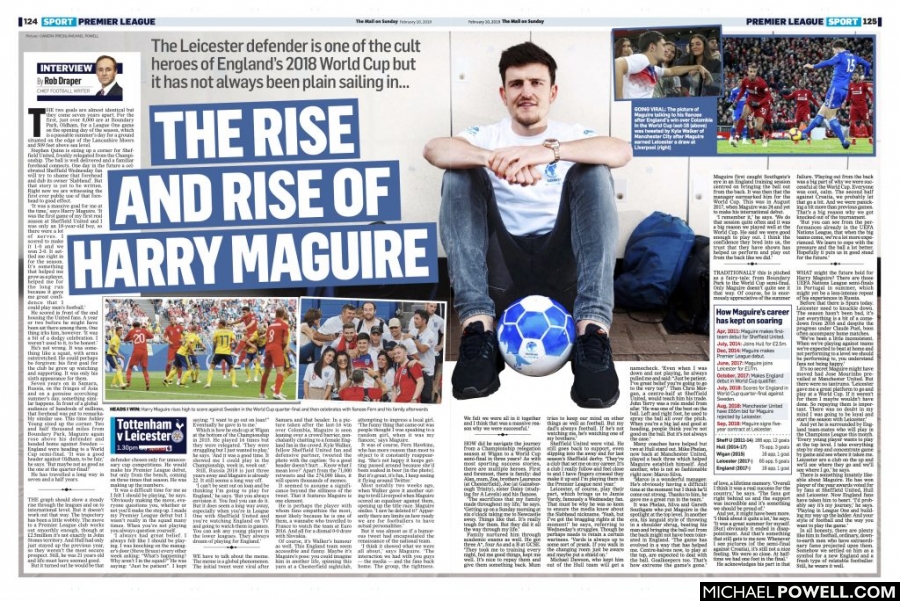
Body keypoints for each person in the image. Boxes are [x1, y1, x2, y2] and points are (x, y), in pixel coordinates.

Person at [424, 41, 631, 407]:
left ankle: (593, 335)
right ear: (504, 93)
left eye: (536, 82)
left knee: (595, 170)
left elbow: (622, 151)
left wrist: (548, 152)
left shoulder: (574, 134)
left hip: (565, 270)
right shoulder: (486, 136)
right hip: (501, 272)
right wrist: (492, 159)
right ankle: (477, 330)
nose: (527, 92)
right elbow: (434, 149)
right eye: (517, 84)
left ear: (552, 91)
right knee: (457, 173)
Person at [801, 39, 872, 150]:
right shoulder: (854, 57)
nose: (834, 52)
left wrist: (813, 66)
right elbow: (867, 64)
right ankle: (804, 133)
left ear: (837, 48)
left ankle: (843, 141)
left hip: (836, 88)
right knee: (823, 111)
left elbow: (828, 62)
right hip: (844, 89)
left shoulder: (840, 56)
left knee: (830, 115)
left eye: (834, 50)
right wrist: (864, 76)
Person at [615, 31, 711, 99]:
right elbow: (618, 64)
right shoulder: (642, 59)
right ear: (652, 47)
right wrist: (620, 102)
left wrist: (697, 67)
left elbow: (672, 71)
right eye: (663, 45)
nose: (666, 50)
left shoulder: (652, 69)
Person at [731, 64, 774, 147]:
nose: (752, 73)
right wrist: (736, 101)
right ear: (748, 72)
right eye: (750, 71)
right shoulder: (745, 81)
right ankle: (736, 139)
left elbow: (768, 96)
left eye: (754, 72)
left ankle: (764, 136)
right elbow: (742, 91)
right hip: (750, 101)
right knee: (743, 115)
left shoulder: (762, 83)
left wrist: (759, 103)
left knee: (757, 127)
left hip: (761, 104)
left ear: (756, 72)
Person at [403, 309, 438, 403]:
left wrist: (413, 338)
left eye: (417, 319)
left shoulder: (430, 334)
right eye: (414, 318)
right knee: (414, 397)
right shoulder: (414, 331)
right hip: (414, 369)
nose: (414, 321)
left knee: (425, 399)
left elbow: (422, 350)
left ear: (424, 320)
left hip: (426, 371)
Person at [259, 307, 291, 400]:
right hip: (277, 348)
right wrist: (282, 348)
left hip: (268, 348)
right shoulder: (284, 325)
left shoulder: (271, 326)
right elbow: (285, 341)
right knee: (280, 371)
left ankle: (262, 393)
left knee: (266, 372)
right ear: (283, 315)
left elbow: (267, 338)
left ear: (276, 315)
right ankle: (276, 393)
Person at [204, 319, 238, 389]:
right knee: (231, 367)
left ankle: (208, 383)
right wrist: (234, 349)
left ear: (222, 324)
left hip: (218, 351)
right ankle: (234, 384)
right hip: (227, 352)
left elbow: (214, 343)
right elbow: (236, 342)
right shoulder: (230, 332)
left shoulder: (217, 332)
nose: (217, 325)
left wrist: (213, 351)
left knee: (212, 367)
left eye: (219, 324)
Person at [122, 320, 154, 390]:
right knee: (144, 369)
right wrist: (145, 336)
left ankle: (128, 382)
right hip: (144, 351)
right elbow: (151, 336)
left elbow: (124, 340)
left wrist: (131, 338)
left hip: (136, 351)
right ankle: (147, 383)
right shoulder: (144, 330)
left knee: (130, 367)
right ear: (139, 326)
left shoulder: (132, 332)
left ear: (133, 326)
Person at [845, 71, 874, 145]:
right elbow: (848, 96)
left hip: (863, 107)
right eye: (853, 76)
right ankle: (853, 139)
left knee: (867, 123)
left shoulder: (864, 84)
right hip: (854, 107)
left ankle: (870, 138)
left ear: (858, 77)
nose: (853, 77)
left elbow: (870, 93)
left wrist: (873, 100)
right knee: (851, 123)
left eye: (855, 76)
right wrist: (845, 103)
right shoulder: (850, 85)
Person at [162, 317, 185, 385]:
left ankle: (179, 379)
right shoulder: (168, 328)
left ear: (175, 320)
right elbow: (163, 337)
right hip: (171, 348)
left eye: (172, 319)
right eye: (170, 319)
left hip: (179, 348)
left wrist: (183, 339)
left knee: (179, 364)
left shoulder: (180, 327)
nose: (171, 321)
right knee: (169, 363)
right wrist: (168, 341)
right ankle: (167, 378)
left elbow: (186, 335)